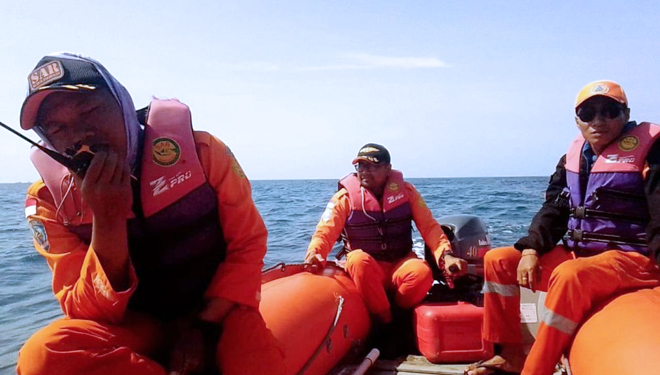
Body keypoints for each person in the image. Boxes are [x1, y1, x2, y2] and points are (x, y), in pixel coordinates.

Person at [16, 52, 285, 375]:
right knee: (42, 354)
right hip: (138, 329)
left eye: (90, 110)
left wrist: (204, 326)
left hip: (220, 313)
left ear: (123, 104)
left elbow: (248, 244)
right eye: (56, 127)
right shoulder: (47, 202)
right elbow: (85, 309)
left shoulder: (204, 153)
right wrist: (108, 220)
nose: (78, 135)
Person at [465, 80, 660, 375]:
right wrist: (530, 249)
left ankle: (537, 369)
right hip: (580, 253)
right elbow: (554, 210)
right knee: (498, 261)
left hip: (633, 258)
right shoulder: (573, 157)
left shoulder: (652, 153)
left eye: (609, 111)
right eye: (588, 113)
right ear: (577, 120)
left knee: (570, 276)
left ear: (626, 113)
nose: (599, 121)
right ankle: (510, 356)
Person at [304, 143, 467, 323]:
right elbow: (324, 232)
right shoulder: (344, 198)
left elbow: (430, 228)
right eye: (361, 166)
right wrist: (315, 254)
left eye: (373, 166)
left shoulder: (407, 193)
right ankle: (385, 321)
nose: (365, 171)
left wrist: (446, 255)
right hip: (368, 267)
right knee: (358, 260)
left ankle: (399, 314)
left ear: (388, 169)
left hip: (400, 262)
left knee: (422, 273)